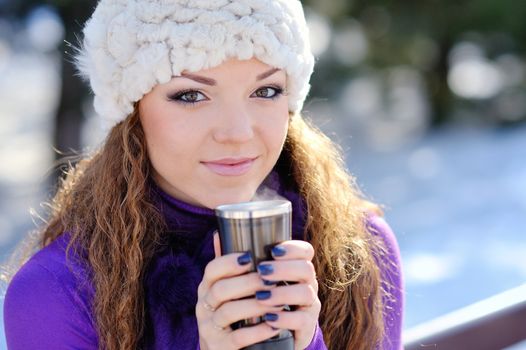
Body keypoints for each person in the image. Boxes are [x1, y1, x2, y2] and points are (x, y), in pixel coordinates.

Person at [2, 0, 403, 349]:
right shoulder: (55, 293)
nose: (237, 133)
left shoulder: (357, 248)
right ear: (132, 112)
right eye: (191, 95)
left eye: (265, 91)